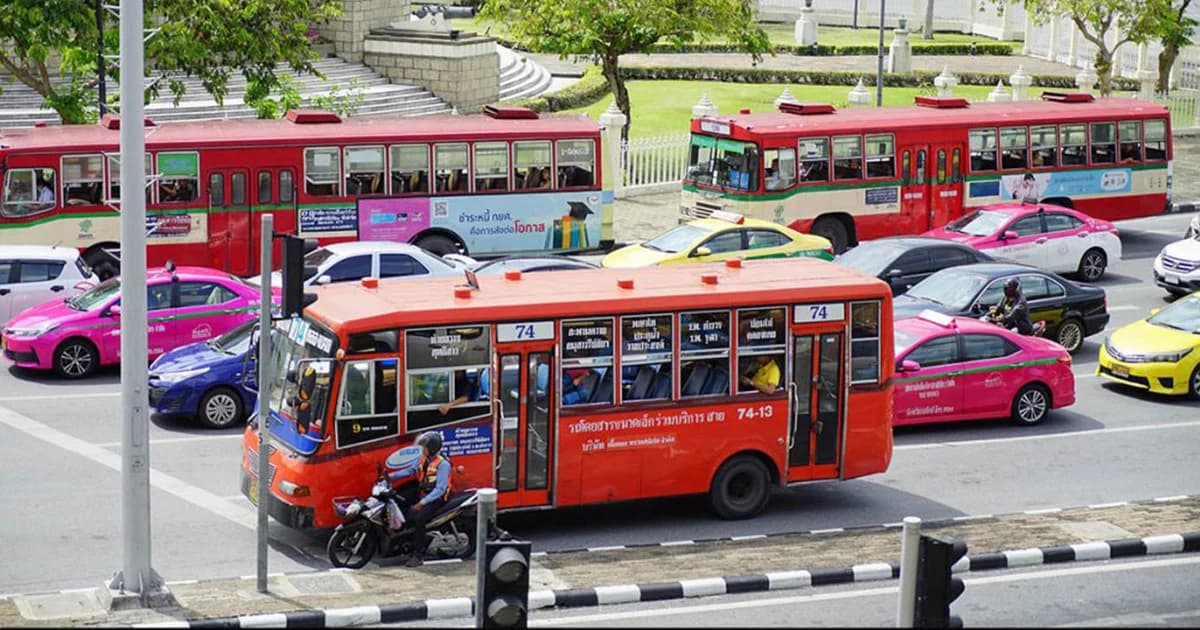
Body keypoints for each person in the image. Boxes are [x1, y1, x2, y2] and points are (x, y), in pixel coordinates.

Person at [387, 431, 454, 568]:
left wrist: (421, 504)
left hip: (438, 498)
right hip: (423, 492)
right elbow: (410, 471)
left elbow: (440, 490)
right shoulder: (423, 458)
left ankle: (418, 555)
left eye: (425, 447)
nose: (422, 449)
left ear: (432, 448)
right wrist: (390, 476)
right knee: (400, 500)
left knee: (419, 519)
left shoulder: (443, 464)